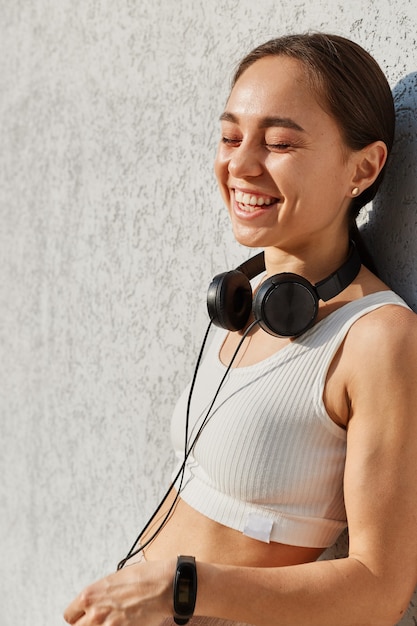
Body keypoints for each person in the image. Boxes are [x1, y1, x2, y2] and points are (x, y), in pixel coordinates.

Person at [64, 33, 417, 626]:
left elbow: (378, 589)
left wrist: (182, 588)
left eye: (278, 142)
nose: (240, 164)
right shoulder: (244, 299)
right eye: (230, 136)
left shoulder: (378, 339)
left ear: (364, 167)